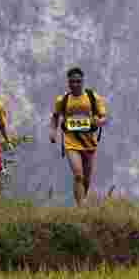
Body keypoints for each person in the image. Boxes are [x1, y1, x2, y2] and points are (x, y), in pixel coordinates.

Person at [50, 66, 110, 204]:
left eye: (78, 81)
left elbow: (104, 118)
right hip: (71, 143)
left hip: (89, 143)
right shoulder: (62, 100)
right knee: (78, 174)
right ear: (68, 83)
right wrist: (53, 132)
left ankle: (82, 201)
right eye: (72, 82)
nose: (75, 85)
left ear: (83, 81)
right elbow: (55, 117)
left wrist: (98, 122)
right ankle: (80, 208)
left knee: (86, 179)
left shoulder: (92, 97)